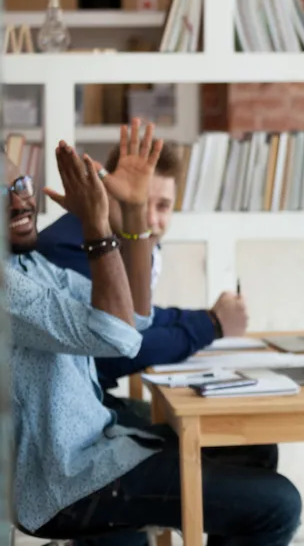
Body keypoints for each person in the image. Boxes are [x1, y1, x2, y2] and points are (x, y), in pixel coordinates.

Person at [9, 126, 300, 546]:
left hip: (98, 445)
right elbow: (119, 338)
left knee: (255, 449)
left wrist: (132, 214)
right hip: (67, 482)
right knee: (279, 505)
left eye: (19, 185)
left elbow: (136, 319)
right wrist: (97, 225)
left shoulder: (30, 267)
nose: (19, 200)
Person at [36, 137, 249, 425]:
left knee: (244, 434)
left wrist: (211, 316)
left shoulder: (130, 243)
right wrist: (211, 325)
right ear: (108, 192)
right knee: (230, 433)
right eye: (136, 202)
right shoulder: (68, 248)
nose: (149, 219)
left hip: (90, 402)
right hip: (71, 417)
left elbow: (144, 317)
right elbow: (119, 347)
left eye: (163, 206)